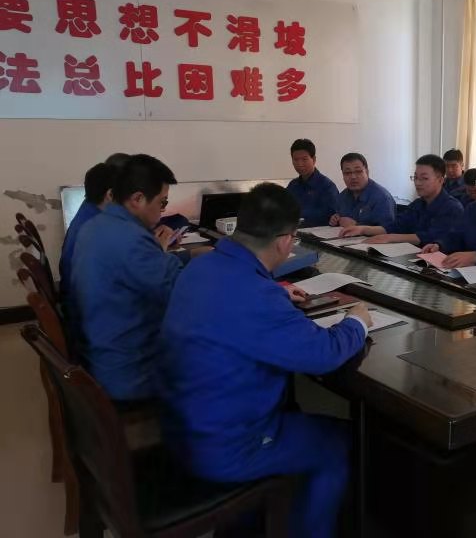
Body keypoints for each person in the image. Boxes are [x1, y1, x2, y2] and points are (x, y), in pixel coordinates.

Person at [157, 183, 372, 538]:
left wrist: (277, 293)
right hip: (225, 446)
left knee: (297, 411)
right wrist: (357, 322)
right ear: (286, 242)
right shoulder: (257, 296)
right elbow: (323, 355)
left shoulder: (200, 268)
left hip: (180, 425)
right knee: (337, 441)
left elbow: (236, 303)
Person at [69, 154, 183, 401]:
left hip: (101, 351)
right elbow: (180, 293)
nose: (162, 210)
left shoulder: (96, 225)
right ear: (137, 199)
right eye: (162, 202)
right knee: (224, 358)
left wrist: (183, 257)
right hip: (129, 372)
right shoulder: (131, 240)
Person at [340, 154, 464, 245]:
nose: (418, 183)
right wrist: (362, 229)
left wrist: (390, 238)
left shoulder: (452, 207)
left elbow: (431, 237)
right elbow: (396, 226)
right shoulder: (417, 204)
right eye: (415, 177)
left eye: (424, 178)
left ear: (440, 180)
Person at [59, 162, 116, 296]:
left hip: (75, 292)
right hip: (84, 302)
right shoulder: (96, 227)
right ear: (110, 194)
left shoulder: (89, 207)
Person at [330, 153, 395, 228]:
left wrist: (357, 226)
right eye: (347, 173)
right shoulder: (342, 196)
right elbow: (340, 218)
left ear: (367, 172)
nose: (353, 177)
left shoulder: (382, 198)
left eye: (358, 171)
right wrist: (336, 220)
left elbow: (388, 230)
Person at [285, 139, 340, 227]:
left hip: (320, 233)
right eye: (296, 160)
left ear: (314, 159)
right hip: (294, 231)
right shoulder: (293, 185)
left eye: (304, 159)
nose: (300, 164)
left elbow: (331, 215)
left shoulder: (327, 186)